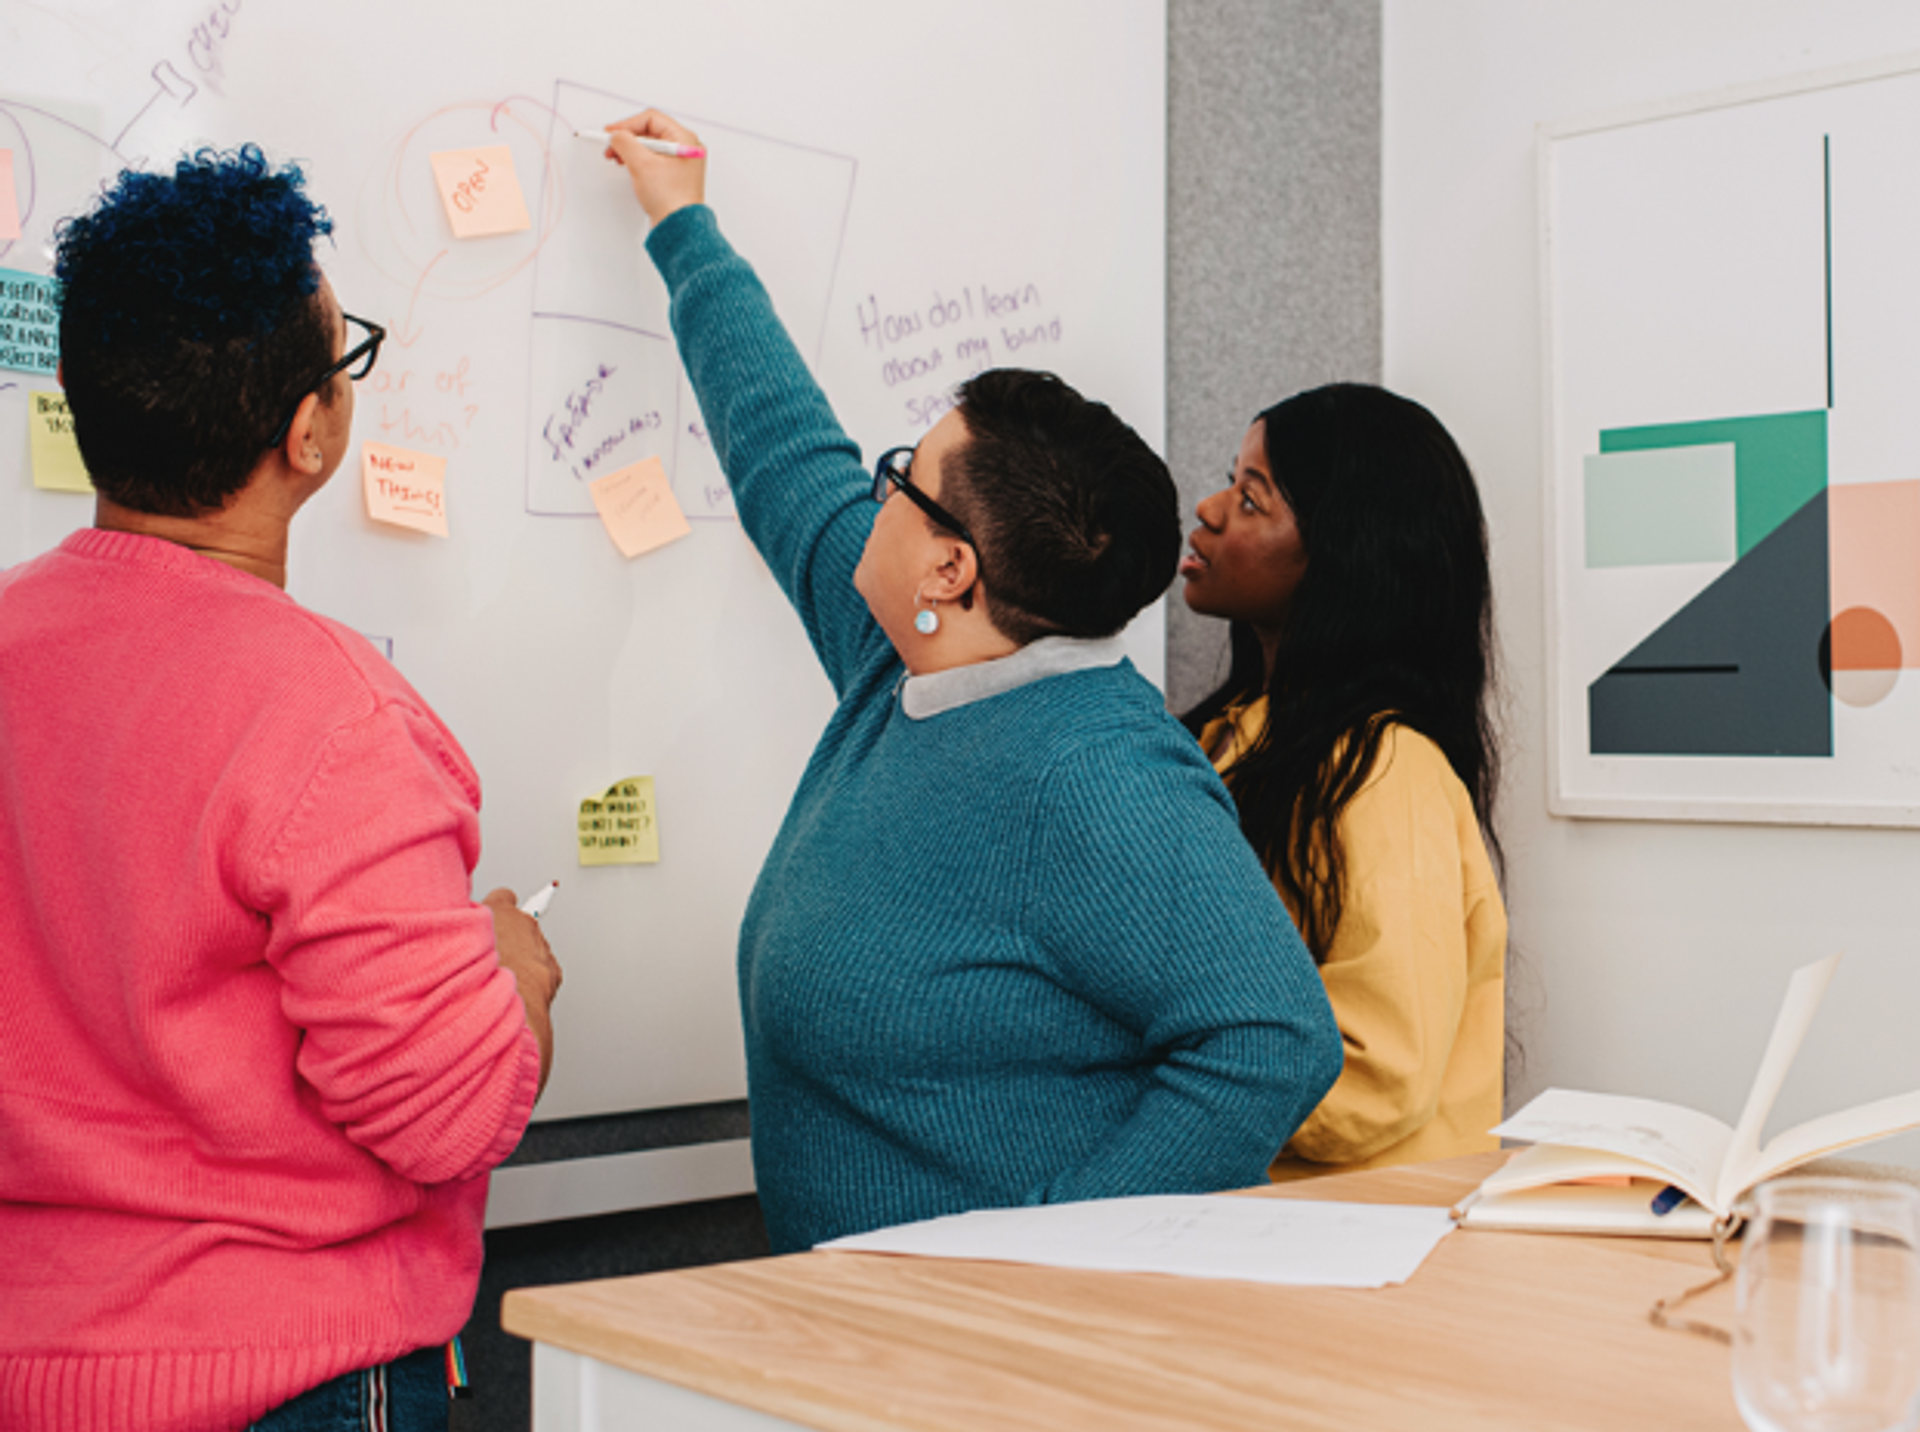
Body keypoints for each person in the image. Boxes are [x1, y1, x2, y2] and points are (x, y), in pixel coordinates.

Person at [598, 111, 1342, 1254]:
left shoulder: (1098, 771)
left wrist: (1050, 1259)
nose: (875, 487)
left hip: (991, 1369)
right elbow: (786, 450)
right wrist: (684, 223)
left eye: (904, 475)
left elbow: (1272, 1036)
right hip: (854, 1334)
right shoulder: (905, 658)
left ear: (952, 568)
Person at [0, 147, 562, 1432]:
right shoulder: (333, 714)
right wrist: (515, 973)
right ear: (310, 433)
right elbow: (451, 1110)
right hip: (291, 1377)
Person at [1179, 384, 1507, 1179]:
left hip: (1352, 1247)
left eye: (1252, 499)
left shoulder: (1388, 773)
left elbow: (1376, 1070)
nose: (1210, 507)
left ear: (1341, 556)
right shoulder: (1221, 740)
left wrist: (1154, 1092)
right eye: (1232, 479)